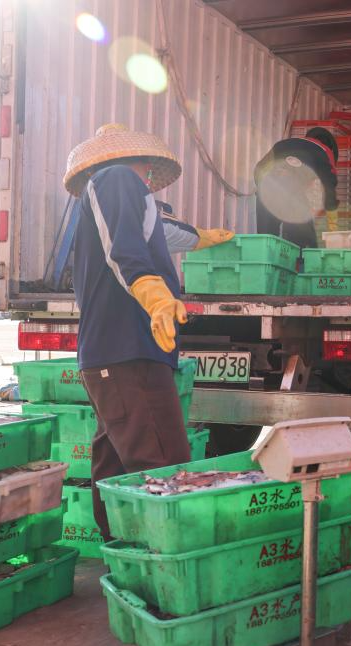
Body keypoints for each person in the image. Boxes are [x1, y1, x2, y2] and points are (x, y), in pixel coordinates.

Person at [63, 123, 233, 539]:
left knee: (117, 464)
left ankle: (123, 553)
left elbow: (167, 233)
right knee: (162, 464)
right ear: (141, 163)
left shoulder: (129, 196)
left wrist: (207, 238)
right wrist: (155, 295)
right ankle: (166, 561)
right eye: (149, 172)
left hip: (114, 356)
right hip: (129, 351)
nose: (151, 179)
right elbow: (125, 250)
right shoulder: (117, 178)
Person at [254, 126, 340, 248]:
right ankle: (300, 263)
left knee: (267, 244)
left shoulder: (283, 144)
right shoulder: (325, 152)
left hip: (266, 194)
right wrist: (332, 228)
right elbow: (330, 191)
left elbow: (259, 169)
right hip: (293, 197)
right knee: (304, 246)